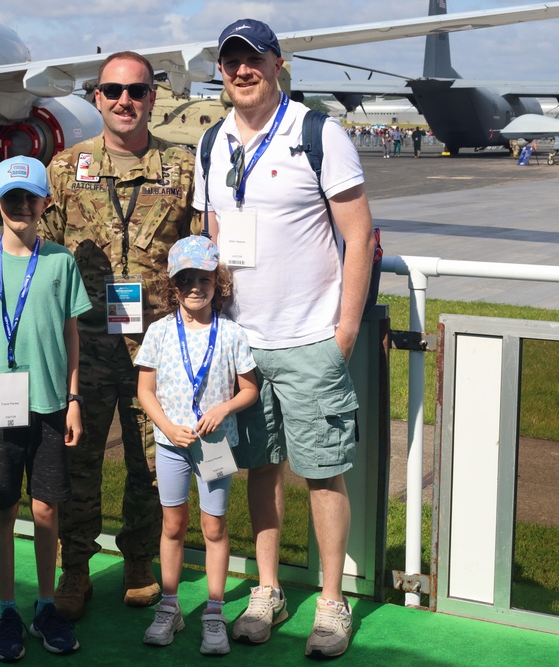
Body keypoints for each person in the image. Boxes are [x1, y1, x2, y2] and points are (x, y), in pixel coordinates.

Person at [193, 19, 377, 659]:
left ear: (277, 64)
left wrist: (344, 332)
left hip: (310, 340)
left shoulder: (318, 133)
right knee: (259, 469)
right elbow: (211, 236)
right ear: (220, 71)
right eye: (230, 62)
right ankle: (266, 590)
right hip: (241, 344)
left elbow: (360, 236)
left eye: (253, 60)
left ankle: (331, 602)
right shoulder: (212, 143)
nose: (241, 71)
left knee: (322, 473)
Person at [40, 50, 199, 621]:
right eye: (112, 91)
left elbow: (203, 254)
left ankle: (138, 561)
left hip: (159, 350)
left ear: (153, 97)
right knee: (78, 461)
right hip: (86, 348)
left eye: (136, 91)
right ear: (96, 98)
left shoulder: (182, 169)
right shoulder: (64, 169)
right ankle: (76, 569)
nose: (124, 101)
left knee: (152, 465)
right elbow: (44, 259)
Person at [0, 155, 92, 661]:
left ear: (45, 203)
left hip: (52, 405)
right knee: (4, 507)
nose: (21, 207)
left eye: (30, 198)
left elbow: (70, 333)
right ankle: (8, 608)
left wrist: (74, 399)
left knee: (45, 507)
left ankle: (45, 604)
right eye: (11, 199)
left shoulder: (60, 261)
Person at [135, 235, 258, 655]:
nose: (194, 287)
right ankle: (169, 607)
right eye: (185, 279)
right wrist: (168, 428)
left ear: (216, 282)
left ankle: (214, 612)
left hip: (215, 446)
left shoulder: (231, 334)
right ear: (172, 285)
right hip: (172, 445)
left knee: (214, 527)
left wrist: (224, 409)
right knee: (172, 525)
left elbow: (249, 390)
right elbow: (145, 391)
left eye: (203, 278)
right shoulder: (159, 332)